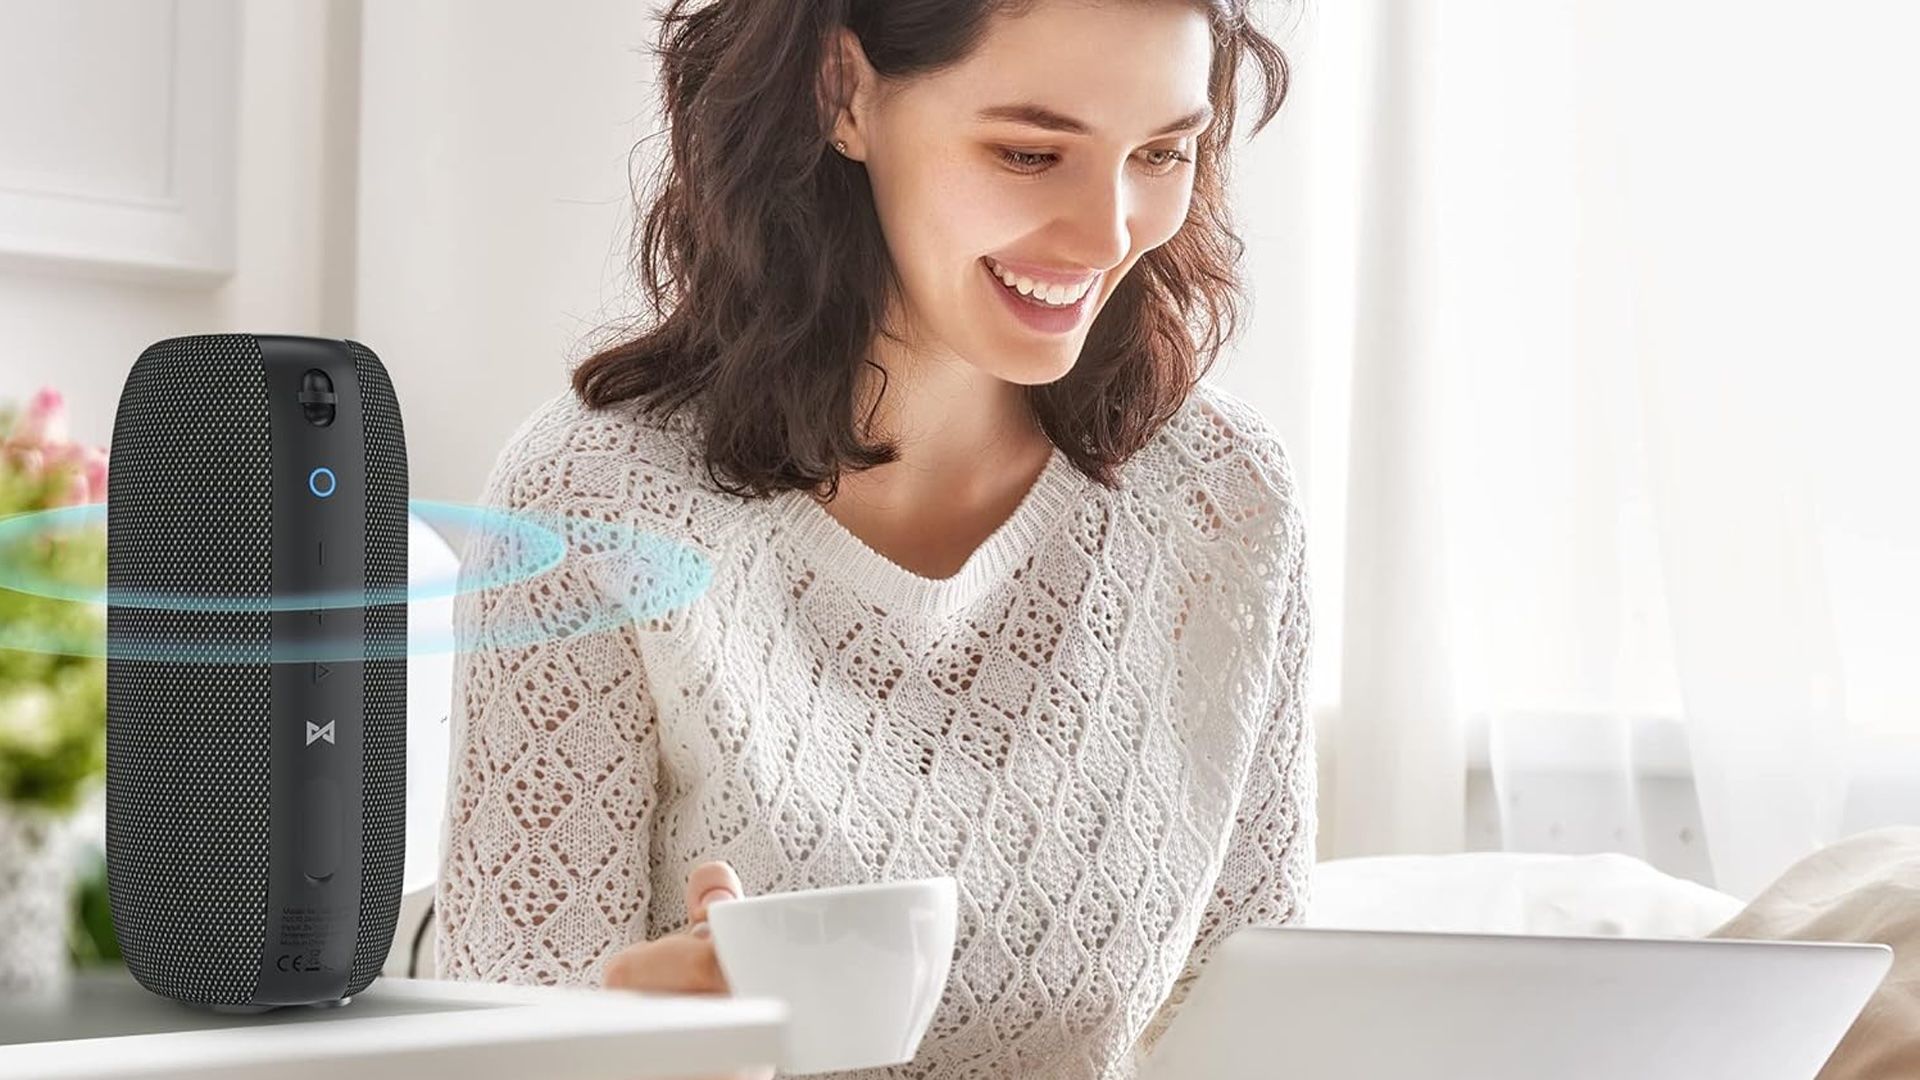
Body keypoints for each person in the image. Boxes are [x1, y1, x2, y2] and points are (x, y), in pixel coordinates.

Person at [435, 0, 1312, 1076]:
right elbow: (500, 1042)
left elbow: (1258, 1028)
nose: (1107, 231)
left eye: (1162, 153)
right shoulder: (595, 503)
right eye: (1031, 153)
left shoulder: (1224, 501)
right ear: (842, 95)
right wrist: (638, 1049)